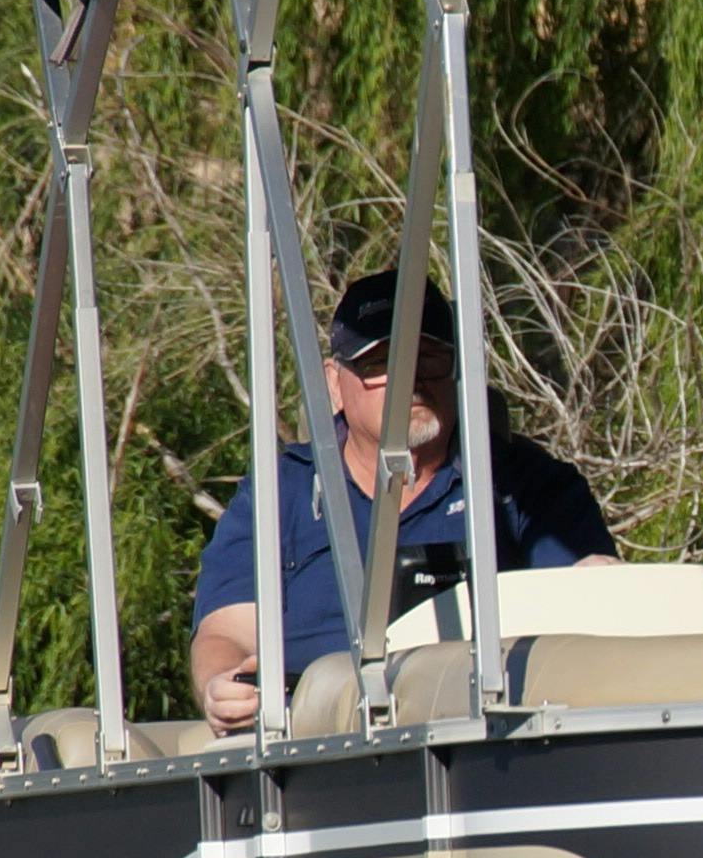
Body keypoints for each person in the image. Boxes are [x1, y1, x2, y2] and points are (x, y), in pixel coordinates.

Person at [193, 274, 614, 724]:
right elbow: (226, 632)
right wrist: (224, 688)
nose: (408, 380)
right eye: (379, 364)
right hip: (316, 752)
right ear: (334, 383)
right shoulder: (282, 492)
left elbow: (590, 617)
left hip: (491, 743)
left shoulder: (525, 486)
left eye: (427, 358)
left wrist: (602, 584)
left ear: (457, 372)